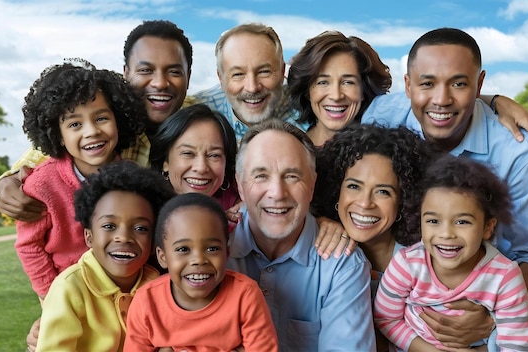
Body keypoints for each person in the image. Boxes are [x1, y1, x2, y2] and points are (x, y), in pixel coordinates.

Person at [362, 27, 528, 349]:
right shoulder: (382, 115)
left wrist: (490, 307)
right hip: (391, 311)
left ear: (478, 83)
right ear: (408, 86)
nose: (441, 99)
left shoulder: (518, 151)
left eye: (459, 83)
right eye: (427, 83)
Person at [195, 22, 528, 146]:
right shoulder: (200, 113)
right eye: (322, 82)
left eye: (347, 81)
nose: (334, 94)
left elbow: (434, 99)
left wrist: (493, 100)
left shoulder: (383, 120)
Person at [0, 19, 193, 222]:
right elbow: (46, 151)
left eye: (174, 71)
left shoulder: (200, 116)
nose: (160, 83)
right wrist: (6, 182)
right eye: (145, 70)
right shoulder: (101, 118)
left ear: (189, 75)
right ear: (126, 73)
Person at [228, 118, 375, 351]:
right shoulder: (214, 247)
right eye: (261, 175)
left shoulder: (343, 265)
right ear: (240, 185)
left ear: (312, 185)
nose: (277, 193)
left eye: (292, 176)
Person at [15, 60, 146, 299]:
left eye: (101, 118)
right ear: (59, 135)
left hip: (126, 293)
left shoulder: (133, 177)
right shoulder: (41, 184)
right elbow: (29, 247)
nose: (91, 131)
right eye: (75, 124)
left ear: (118, 120)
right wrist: (52, 297)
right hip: (70, 294)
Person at [374, 155, 528, 352]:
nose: (446, 234)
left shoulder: (505, 276)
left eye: (462, 222)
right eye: (433, 221)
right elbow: (386, 319)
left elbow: (515, 345)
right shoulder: (407, 264)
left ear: (487, 227)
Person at [313, 124, 439, 351]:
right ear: (336, 191)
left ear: (405, 199)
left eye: (383, 191)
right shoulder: (318, 249)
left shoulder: (430, 262)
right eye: (353, 186)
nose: (364, 203)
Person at [35, 161, 175, 351]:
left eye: (141, 228)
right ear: (89, 236)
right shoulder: (69, 288)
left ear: (154, 241)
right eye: (109, 226)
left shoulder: (157, 285)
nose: (124, 237)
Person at [124, 193, 278, 351]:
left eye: (212, 248)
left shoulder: (245, 295)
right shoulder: (146, 302)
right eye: (183, 249)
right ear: (163, 257)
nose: (198, 259)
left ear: (226, 253)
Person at [287, 31, 392, 146]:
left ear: (364, 90)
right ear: (307, 91)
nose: (336, 96)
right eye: (323, 82)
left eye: (347, 82)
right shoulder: (288, 148)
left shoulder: (384, 152)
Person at [149, 103, 240, 211]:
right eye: (188, 153)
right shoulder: (145, 207)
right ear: (165, 162)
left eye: (214, 155)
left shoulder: (243, 201)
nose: (201, 168)